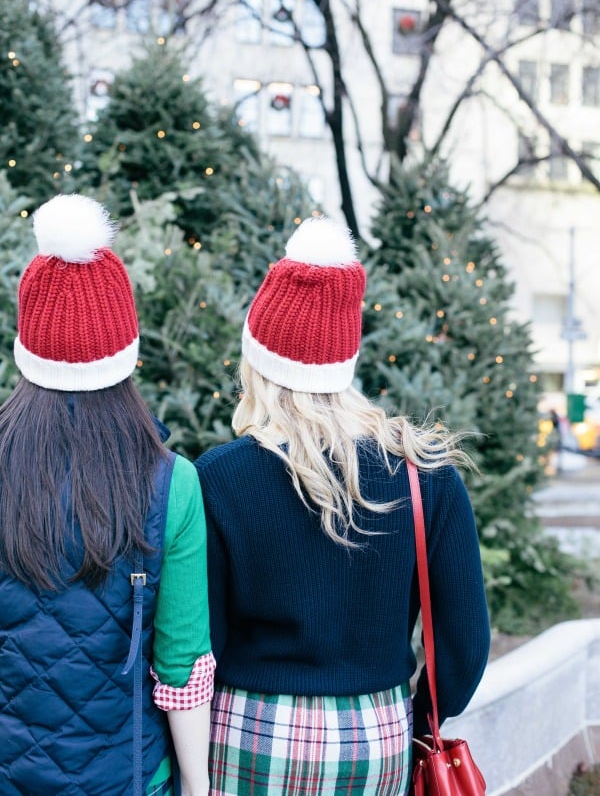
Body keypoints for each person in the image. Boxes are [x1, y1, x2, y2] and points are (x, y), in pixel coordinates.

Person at [195, 216, 491, 795]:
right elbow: (465, 645)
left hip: (251, 732)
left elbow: (203, 639)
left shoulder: (219, 476)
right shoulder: (425, 475)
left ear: (257, 363)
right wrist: (417, 713)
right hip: (375, 734)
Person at [0, 194, 215, 796]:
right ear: (126, 351)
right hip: (129, 776)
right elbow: (182, 665)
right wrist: (198, 786)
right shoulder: (173, 482)